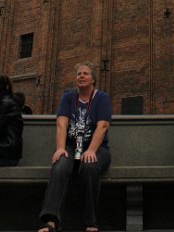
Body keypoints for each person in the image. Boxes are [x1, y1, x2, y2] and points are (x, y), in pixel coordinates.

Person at [37, 61, 111, 232]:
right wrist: (60, 148)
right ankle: (51, 221)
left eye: (85, 73)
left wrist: (91, 150)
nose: (81, 76)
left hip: (97, 148)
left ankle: (90, 223)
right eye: (79, 74)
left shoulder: (101, 98)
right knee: (60, 165)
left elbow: (103, 126)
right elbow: (61, 124)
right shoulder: (68, 97)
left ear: (93, 79)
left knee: (90, 166)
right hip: (72, 146)